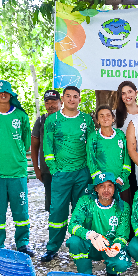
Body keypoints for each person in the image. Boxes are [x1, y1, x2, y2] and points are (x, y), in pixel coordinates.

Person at [0, 80, 32, 262]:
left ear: (11, 95)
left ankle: (23, 243)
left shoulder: (21, 116)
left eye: (6, 92)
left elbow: (26, 142)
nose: (3, 95)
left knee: (21, 211)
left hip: (17, 170)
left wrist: (15, 155)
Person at [41, 85, 95, 262]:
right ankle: (52, 248)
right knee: (57, 211)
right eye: (68, 96)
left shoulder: (87, 120)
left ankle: (81, 245)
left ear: (80, 99)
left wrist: (91, 170)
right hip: (61, 174)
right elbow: (47, 146)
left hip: (82, 174)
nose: (72, 99)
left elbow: (92, 145)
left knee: (81, 211)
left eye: (75, 96)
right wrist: (54, 168)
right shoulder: (52, 120)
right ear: (62, 99)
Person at [66, 172, 131, 276]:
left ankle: (112, 270)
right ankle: (85, 272)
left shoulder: (123, 206)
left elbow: (123, 234)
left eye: (110, 186)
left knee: (122, 264)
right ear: (96, 188)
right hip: (90, 243)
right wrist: (91, 235)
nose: (106, 190)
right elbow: (72, 225)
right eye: (102, 186)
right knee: (74, 242)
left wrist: (117, 246)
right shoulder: (85, 201)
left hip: (110, 245)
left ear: (115, 188)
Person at [86, 105, 132, 203]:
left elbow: (127, 159)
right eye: (101, 116)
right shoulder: (93, 137)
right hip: (102, 185)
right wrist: (103, 181)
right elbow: (91, 162)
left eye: (108, 115)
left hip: (122, 183)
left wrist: (121, 178)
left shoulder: (120, 134)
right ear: (97, 120)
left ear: (113, 118)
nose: (105, 118)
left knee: (123, 213)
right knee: (105, 214)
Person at [31, 90, 61, 212]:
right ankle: (54, 229)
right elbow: (34, 146)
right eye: (47, 102)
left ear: (61, 102)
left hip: (69, 170)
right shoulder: (40, 121)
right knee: (52, 204)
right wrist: (36, 169)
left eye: (54, 102)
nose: (51, 105)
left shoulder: (70, 119)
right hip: (48, 171)